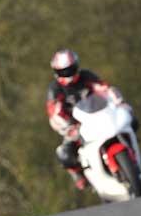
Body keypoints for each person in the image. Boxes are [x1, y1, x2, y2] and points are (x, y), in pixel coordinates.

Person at [46, 49, 131, 190]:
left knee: (130, 121)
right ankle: (79, 175)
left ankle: (130, 155)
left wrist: (118, 101)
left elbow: (103, 88)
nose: (68, 74)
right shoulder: (55, 88)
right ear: (56, 71)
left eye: (71, 69)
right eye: (64, 71)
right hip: (77, 126)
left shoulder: (86, 76)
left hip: (100, 117)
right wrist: (68, 127)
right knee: (64, 154)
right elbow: (54, 111)